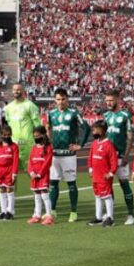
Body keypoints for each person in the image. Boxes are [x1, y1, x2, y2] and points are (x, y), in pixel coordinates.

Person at [44, 88, 87, 222]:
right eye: (58, 99)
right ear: (54, 100)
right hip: (55, 154)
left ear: (67, 99)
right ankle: (53, 211)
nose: (60, 102)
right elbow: (48, 129)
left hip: (69, 154)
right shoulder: (51, 114)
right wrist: (47, 143)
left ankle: (73, 212)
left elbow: (86, 127)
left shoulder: (74, 113)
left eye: (63, 99)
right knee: (53, 183)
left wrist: (80, 144)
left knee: (71, 184)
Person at [102, 90, 134, 226]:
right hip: (107, 158)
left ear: (117, 100)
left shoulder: (125, 115)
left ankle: (131, 214)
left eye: (111, 100)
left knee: (124, 184)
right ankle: (110, 214)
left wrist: (126, 155)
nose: (109, 103)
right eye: (107, 100)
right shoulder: (105, 115)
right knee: (107, 185)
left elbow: (130, 137)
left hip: (120, 156)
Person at [87, 120, 118, 228]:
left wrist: (111, 173)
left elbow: (114, 161)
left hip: (104, 176)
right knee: (98, 196)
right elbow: (90, 156)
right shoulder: (94, 143)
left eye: (95, 129)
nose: (93, 131)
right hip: (95, 176)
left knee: (107, 196)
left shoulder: (108, 145)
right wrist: (90, 168)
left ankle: (110, 217)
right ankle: (99, 217)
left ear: (102, 130)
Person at [4, 84, 41, 171]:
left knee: (32, 172)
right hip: (13, 144)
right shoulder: (8, 108)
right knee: (12, 173)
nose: (16, 91)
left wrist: (40, 143)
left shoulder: (30, 105)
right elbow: (8, 126)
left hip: (28, 145)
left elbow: (38, 126)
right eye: (14, 89)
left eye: (18, 89)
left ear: (23, 91)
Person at [27, 126, 55, 225]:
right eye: (34, 136)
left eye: (38, 135)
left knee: (45, 195)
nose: (36, 137)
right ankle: (37, 215)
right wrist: (31, 172)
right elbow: (30, 161)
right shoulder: (34, 148)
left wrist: (39, 174)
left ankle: (49, 216)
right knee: (37, 196)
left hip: (42, 175)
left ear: (43, 135)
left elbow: (47, 162)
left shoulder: (48, 147)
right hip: (34, 176)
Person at [0, 124, 19, 220]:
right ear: (1, 135)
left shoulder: (14, 146)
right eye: (4, 135)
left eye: (8, 135)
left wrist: (14, 173)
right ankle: (3, 211)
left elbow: (16, 160)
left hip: (9, 171)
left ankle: (10, 211)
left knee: (9, 190)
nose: (6, 137)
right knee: (1, 190)